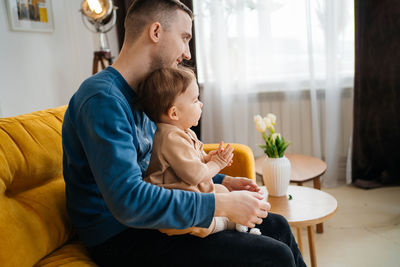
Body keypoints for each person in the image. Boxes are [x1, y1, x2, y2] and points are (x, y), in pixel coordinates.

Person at [62, 0, 306, 266]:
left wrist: (224, 181)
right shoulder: (103, 100)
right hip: (119, 236)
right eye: (184, 38)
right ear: (155, 32)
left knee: (278, 226)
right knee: (275, 256)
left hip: (151, 221)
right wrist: (221, 204)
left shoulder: (144, 94)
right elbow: (129, 201)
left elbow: (162, 167)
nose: (187, 53)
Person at [137, 67, 261, 237]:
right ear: (174, 113)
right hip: (179, 200)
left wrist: (208, 157)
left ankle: (228, 220)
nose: (201, 104)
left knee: (223, 191)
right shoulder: (170, 138)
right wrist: (216, 163)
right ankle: (223, 223)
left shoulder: (184, 132)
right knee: (197, 222)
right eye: (195, 100)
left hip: (192, 191)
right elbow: (195, 175)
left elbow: (193, 159)